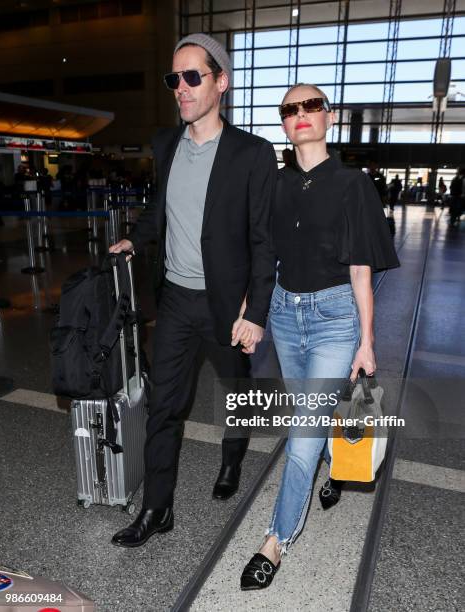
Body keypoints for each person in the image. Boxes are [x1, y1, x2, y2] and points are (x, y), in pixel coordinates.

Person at [109, 33, 277, 548]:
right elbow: (160, 210)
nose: (179, 88)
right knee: (164, 408)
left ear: (220, 82)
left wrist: (257, 311)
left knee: (237, 389)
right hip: (177, 301)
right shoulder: (165, 145)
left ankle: (232, 455)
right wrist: (135, 240)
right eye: (173, 79)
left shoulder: (252, 152)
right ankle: (157, 509)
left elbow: (263, 237)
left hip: (229, 306)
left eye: (191, 77)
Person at [240, 83, 399, 590]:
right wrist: (253, 309)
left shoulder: (353, 184)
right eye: (291, 109)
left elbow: (360, 271)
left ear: (328, 117)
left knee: (303, 433)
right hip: (286, 316)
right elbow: (266, 258)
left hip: (335, 318)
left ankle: (275, 540)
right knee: (312, 413)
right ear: (284, 123)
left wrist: (367, 342)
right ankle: (334, 468)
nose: (301, 114)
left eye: (311, 106)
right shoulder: (276, 185)